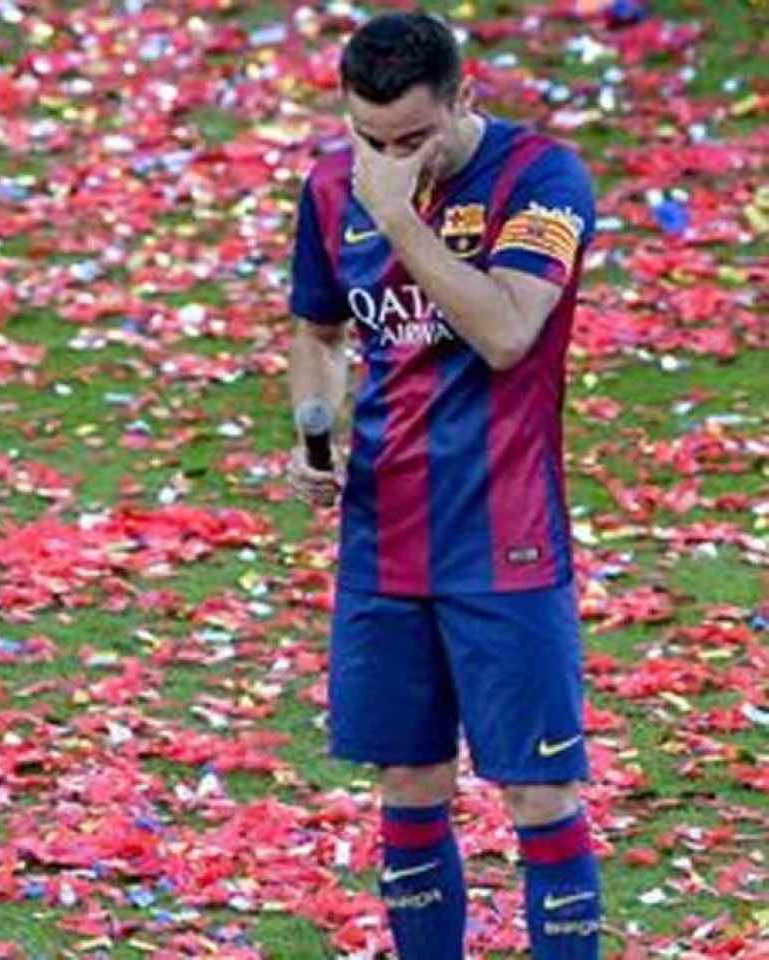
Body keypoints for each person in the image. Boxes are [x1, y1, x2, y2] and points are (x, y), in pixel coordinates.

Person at [285, 11, 602, 960]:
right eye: (368, 139)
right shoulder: (333, 184)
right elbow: (319, 327)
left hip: (505, 538)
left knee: (540, 796)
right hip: (385, 541)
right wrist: (313, 430)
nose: (386, 161)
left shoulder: (541, 178)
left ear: (466, 98)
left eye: (412, 140)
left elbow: (508, 331)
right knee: (408, 789)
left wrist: (398, 216)